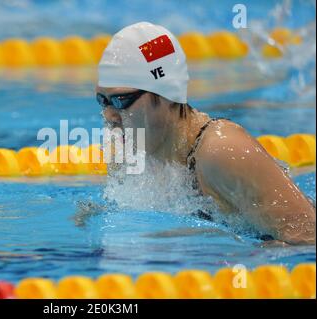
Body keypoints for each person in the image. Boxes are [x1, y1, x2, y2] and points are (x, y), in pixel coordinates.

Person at [96, 22, 315, 245]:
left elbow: (309, 239)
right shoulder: (130, 150)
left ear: (167, 94)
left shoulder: (221, 150)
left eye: (121, 101)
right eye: (102, 101)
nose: (110, 115)